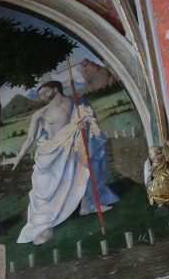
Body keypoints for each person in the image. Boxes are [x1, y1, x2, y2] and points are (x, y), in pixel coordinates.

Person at [6, 80, 119, 246]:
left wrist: (84, 123)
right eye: (40, 95)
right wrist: (18, 157)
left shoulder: (76, 103)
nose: (42, 96)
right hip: (51, 153)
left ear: (56, 88)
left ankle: (88, 206)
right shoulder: (40, 114)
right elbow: (30, 138)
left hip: (72, 148)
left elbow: (86, 120)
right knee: (44, 188)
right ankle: (45, 226)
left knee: (85, 172)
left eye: (44, 91)